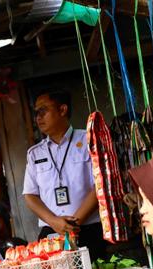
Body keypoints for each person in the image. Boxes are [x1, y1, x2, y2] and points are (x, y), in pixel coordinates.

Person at [22, 90, 107, 260]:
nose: (38, 117)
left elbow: (101, 184)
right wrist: (54, 221)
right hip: (51, 232)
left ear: (62, 110)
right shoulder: (35, 153)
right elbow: (30, 196)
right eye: (36, 112)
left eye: (43, 111)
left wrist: (73, 223)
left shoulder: (89, 141)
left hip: (88, 228)